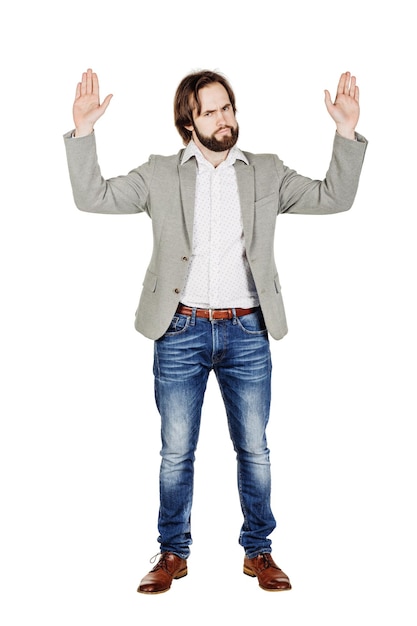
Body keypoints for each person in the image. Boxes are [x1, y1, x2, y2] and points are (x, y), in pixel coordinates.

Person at [64, 68, 367, 594]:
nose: (224, 119)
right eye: (210, 111)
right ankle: (171, 553)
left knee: (255, 449)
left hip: (248, 331)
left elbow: (334, 197)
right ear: (189, 123)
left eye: (227, 107)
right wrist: (85, 132)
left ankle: (260, 552)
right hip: (179, 329)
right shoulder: (160, 173)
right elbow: (94, 196)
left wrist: (344, 133)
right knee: (176, 451)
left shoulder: (266, 171)